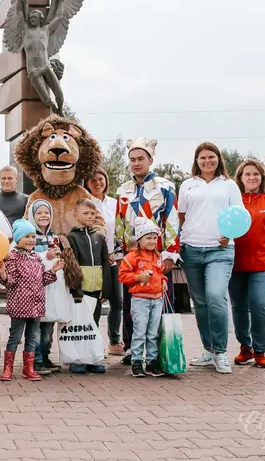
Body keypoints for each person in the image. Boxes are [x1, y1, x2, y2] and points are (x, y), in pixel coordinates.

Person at [179, 142, 243, 374]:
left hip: (220, 250)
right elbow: (182, 215)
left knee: (216, 296)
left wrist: (229, 234)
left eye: (211, 157)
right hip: (192, 250)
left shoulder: (229, 185)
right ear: (196, 161)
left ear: (218, 159)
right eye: (202, 158)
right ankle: (208, 350)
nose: (207, 161)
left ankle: (221, 352)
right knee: (201, 303)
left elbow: (239, 215)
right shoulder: (187, 185)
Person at [115, 138, 180, 365]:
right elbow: (120, 223)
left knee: (159, 304)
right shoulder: (123, 190)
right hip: (133, 259)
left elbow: (172, 221)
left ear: (150, 160)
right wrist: (119, 251)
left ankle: (160, 350)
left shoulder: (165, 187)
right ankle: (132, 348)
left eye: (140, 159)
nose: (136, 163)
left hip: (157, 257)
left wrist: (170, 255)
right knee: (131, 305)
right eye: (132, 159)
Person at [229, 159, 265, 369]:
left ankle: (260, 350)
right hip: (235, 264)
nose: (252, 177)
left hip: (262, 265)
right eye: (247, 174)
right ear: (240, 179)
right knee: (239, 307)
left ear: (262, 177)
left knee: (260, 305)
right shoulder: (233, 201)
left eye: (256, 174)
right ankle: (246, 347)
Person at [0, 219, 63, 381]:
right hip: (19, 305)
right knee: (15, 337)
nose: (31, 240)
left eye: (33, 236)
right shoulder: (11, 257)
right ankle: (8, 369)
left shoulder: (36, 258)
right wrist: (3, 273)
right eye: (26, 236)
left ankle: (29, 368)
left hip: (36, 306)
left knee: (32, 338)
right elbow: (10, 282)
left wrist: (53, 271)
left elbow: (42, 280)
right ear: (18, 238)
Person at [118, 219, 168, 378]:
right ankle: (137, 361)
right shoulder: (131, 257)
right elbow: (123, 275)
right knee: (140, 331)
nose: (153, 241)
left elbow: (160, 273)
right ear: (139, 239)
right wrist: (138, 277)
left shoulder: (158, 256)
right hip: (140, 299)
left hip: (157, 299)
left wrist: (164, 281)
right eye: (149, 238)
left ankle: (152, 361)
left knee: (153, 332)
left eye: (155, 238)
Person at [67, 199, 111, 374]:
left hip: (96, 289)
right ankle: (78, 358)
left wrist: (106, 288)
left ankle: (93, 358)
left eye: (93, 213)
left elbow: (106, 264)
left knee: (94, 323)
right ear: (76, 216)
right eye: (86, 213)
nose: (90, 216)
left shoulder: (100, 236)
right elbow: (73, 265)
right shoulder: (72, 237)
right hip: (81, 291)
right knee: (80, 324)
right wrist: (76, 289)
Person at [85, 169, 123, 356]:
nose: (97, 182)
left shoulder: (115, 204)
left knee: (117, 300)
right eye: (93, 179)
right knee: (96, 301)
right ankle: (93, 340)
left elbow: (121, 230)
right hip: (94, 260)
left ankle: (114, 340)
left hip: (114, 258)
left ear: (106, 181)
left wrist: (116, 252)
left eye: (100, 179)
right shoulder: (85, 203)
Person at [26, 199, 66, 375]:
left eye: (47, 213)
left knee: (48, 326)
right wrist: (45, 255)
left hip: (52, 286)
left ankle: (46, 356)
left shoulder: (53, 236)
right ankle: (36, 360)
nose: (43, 216)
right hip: (36, 288)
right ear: (32, 216)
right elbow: (27, 258)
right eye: (39, 213)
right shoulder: (29, 236)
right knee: (37, 327)